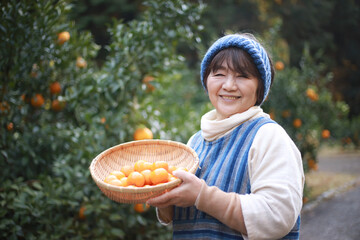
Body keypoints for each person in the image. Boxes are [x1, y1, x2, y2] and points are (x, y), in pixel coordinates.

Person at [147, 33, 305, 240]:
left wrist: (202, 195)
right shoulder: (196, 142)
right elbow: (188, 217)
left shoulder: (269, 137)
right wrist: (165, 198)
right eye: (219, 74)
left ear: (260, 88)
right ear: (206, 81)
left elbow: (277, 217)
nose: (229, 85)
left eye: (242, 76)